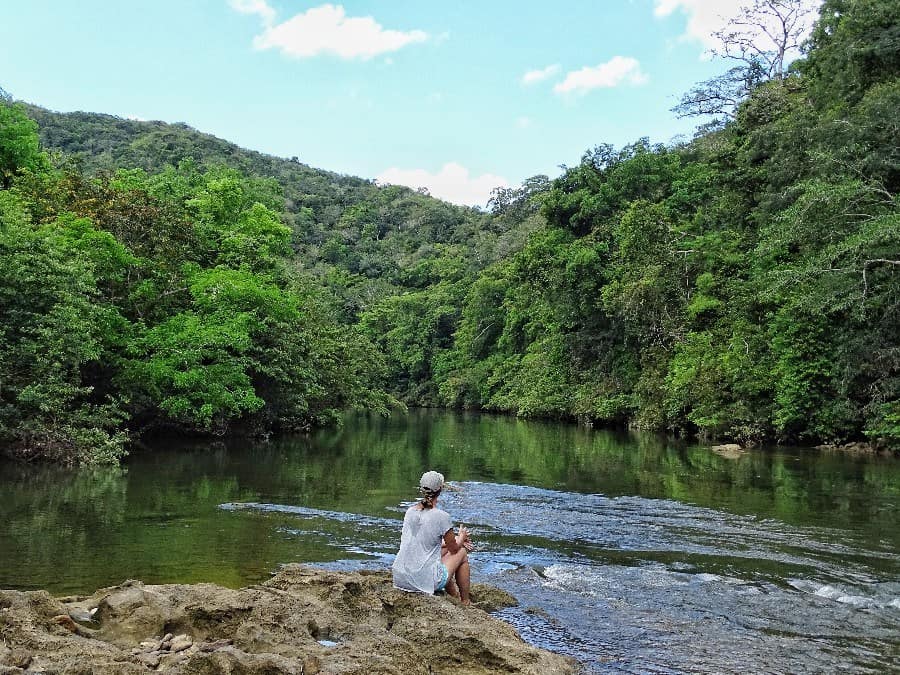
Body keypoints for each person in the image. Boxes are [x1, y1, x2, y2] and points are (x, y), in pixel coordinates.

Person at [392, 470, 474, 605]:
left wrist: (458, 540)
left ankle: (453, 595)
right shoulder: (442, 517)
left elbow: (425, 542)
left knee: (442, 551)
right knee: (462, 553)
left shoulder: (410, 511)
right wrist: (462, 537)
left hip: (400, 577)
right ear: (440, 489)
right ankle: (465, 601)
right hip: (423, 583)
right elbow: (454, 549)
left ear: (421, 489)